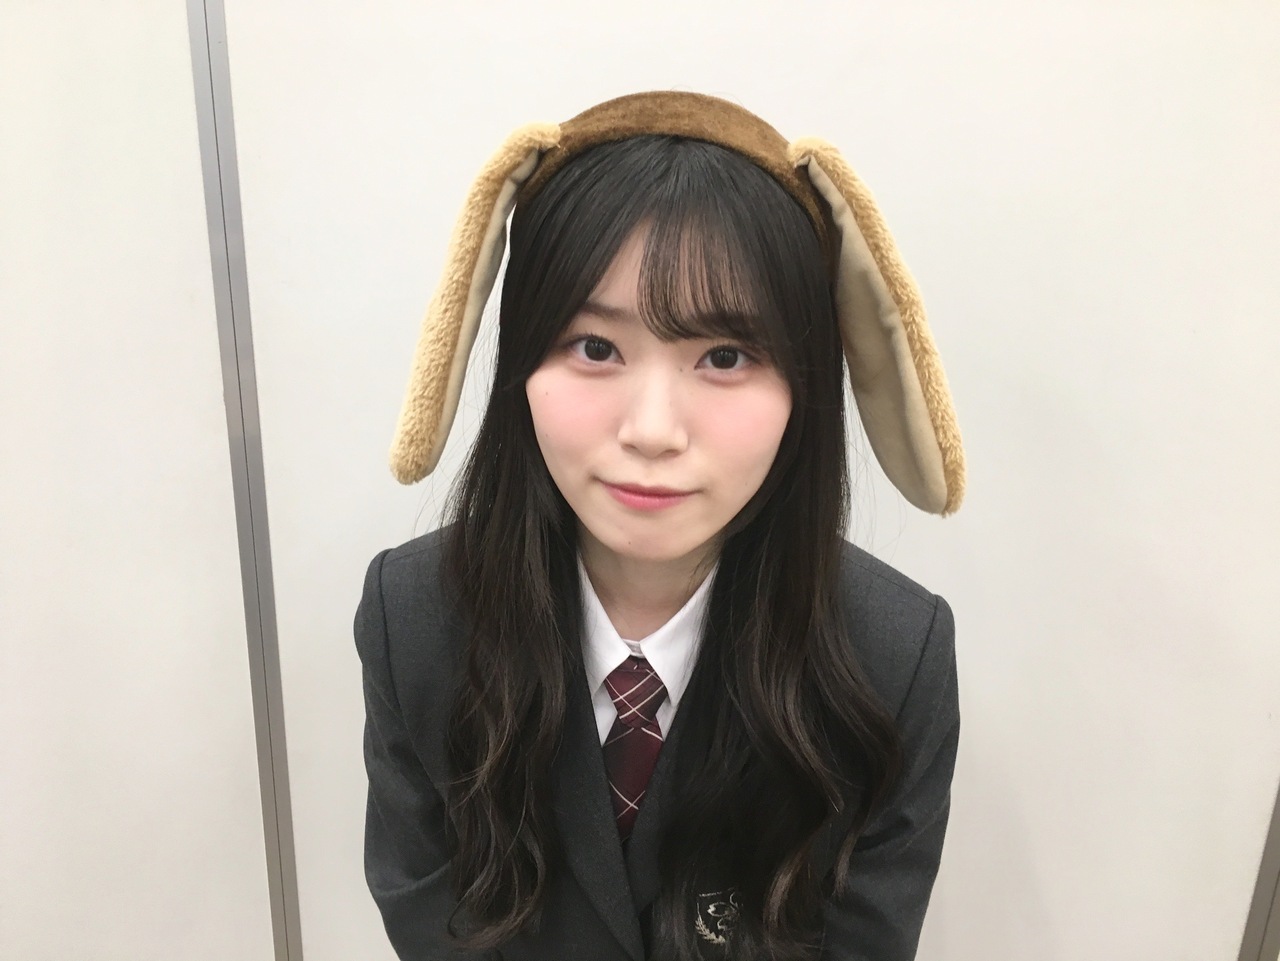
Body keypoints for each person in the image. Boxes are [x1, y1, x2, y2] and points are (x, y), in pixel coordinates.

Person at [355, 91, 964, 961]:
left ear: (804, 386)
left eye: (725, 356)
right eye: (595, 348)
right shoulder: (413, 617)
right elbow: (430, 918)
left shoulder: (893, 658)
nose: (651, 431)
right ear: (519, 361)